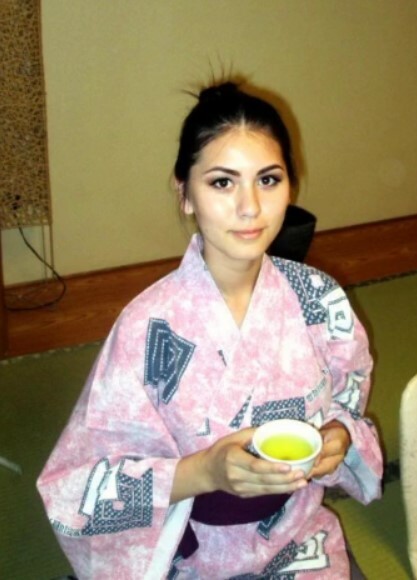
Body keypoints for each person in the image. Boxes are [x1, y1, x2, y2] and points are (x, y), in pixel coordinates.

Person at [37, 81, 383, 579]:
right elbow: (76, 487)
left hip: (294, 537)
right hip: (180, 550)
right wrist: (204, 471)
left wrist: (338, 437)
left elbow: (349, 409)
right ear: (185, 194)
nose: (250, 207)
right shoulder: (148, 327)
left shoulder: (319, 300)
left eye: (268, 180)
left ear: (290, 186)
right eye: (222, 183)